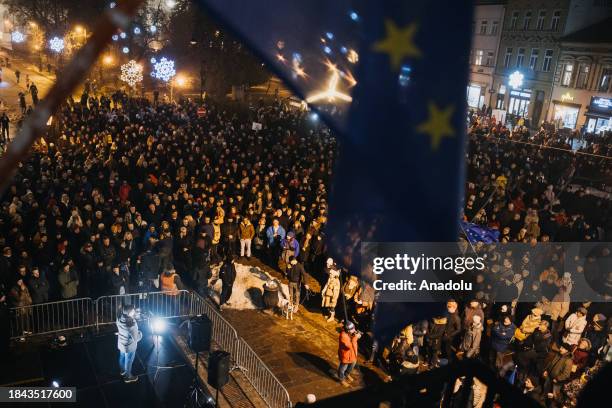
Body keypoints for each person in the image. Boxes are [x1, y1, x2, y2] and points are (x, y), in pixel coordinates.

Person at [116, 304, 142, 383]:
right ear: (129, 313)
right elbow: (136, 338)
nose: (134, 311)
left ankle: (122, 371)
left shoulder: (119, 318)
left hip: (121, 343)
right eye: (133, 311)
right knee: (128, 361)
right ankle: (128, 377)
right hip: (129, 347)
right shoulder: (132, 325)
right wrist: (140, 333)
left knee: (122, 357)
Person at [337, 321, 360, 387]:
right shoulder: (343, 336)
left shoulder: (350, 333)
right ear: (348, 330)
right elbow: (349, 346)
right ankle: (341, 379)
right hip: (346, 356)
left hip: (353, 354)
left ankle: (346, 374)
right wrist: (356, 337)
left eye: (354, 328)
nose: (354, 330)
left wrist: (355, 335)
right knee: (343, 368)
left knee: (352, 365)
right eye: (352, 329)